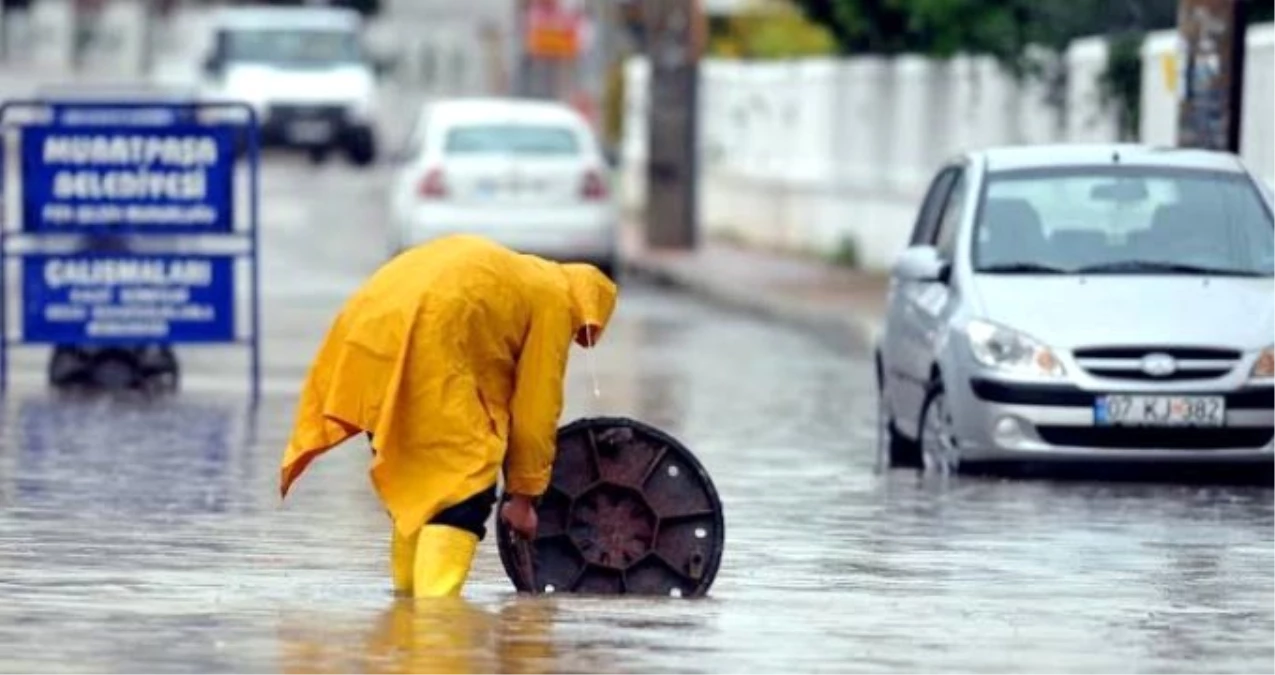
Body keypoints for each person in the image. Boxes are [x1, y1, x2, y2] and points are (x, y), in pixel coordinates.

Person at [279, 234, 618, 598]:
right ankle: (437, 628)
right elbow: (536, 411)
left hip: (372, 330)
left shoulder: (516, 276)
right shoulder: (555, 299)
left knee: (415, 482)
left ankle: (404, 618)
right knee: (462, 492)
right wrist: (523, 499)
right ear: (586, 304)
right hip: (428, 329)